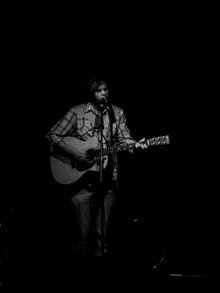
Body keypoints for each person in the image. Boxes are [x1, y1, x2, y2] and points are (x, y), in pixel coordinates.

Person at [46, 76, 147, 256]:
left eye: (106, 90)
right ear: (91, 93)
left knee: (102, 239)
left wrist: (135, 145)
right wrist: (76, 154)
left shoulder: (117, 113)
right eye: (99, 90)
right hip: (81, 187)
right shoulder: (77, 112)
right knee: (82, 239)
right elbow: (52, 135)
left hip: (107, 186)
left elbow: (126, 140)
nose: (103, 94)